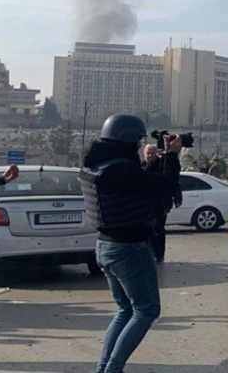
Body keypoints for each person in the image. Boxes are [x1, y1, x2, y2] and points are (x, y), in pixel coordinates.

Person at [81, 114, 181, 373]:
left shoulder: (97, 165)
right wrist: (172, 156)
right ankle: (112, 369)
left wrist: (154, 163)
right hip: (129, 249)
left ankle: (103, 368)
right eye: (136, 141)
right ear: (126, 140)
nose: (138, 146)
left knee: (125, 309)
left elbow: (135, 185)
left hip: (105, 246)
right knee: (147, 310)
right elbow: (164, 187)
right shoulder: (121, 169)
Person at [143, 144, 182, 263]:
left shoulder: (162, 165)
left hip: (159, 205)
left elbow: (171, 178)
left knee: (157, 230)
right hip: (145, 206)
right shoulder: (142, 166)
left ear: (156, 153)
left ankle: (158, 255)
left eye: (152, 153)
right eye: (147, 153)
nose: (149, 155)